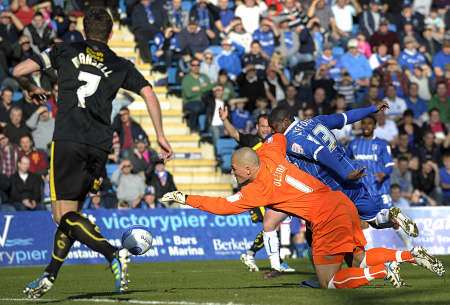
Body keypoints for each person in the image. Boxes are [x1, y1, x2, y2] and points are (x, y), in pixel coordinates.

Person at [13, 8, 172, 298]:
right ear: (111, 34)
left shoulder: (64, 50)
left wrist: (30, 87)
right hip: (100, 145)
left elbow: (18, 71)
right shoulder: (120, 63)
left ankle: (113, 254)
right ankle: (50, 274)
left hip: (68, 139)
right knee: (72, 215)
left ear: (84, 30)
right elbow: (149, 92)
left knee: (62, 216)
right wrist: (160, 135)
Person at [161, 136, 445, 289]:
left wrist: (185, 197)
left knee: (329, 282)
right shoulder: (271, 152)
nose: (232, 173)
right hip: (341, 202)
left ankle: (383, 272)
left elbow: (223, 207)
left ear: (247, 169)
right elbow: (278, 136)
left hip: (325, 217)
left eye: (234, 169)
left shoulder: (256, 190)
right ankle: (409, 255)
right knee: (357, 258)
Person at [269, 104, 417, 236]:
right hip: (352, 177)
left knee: (323, 233)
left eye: (274, 127)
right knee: (375, 219)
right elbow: (346, 117)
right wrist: (371, 109)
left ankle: (348, 263)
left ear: (285, 122)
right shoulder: (315, 121)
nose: (274, 131)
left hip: (333, 188)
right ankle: (392, 216)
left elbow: (319, 151)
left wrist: (344, 174)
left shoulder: (292, 139)